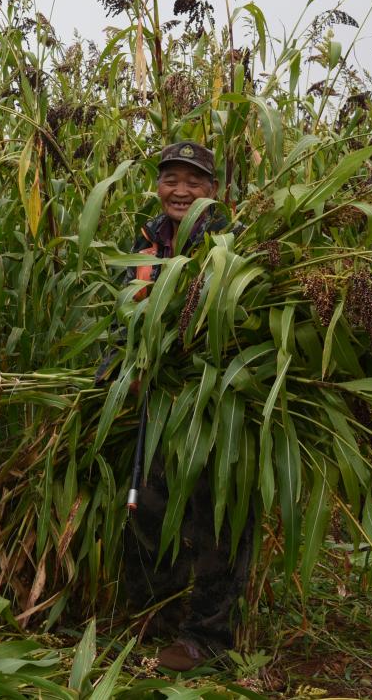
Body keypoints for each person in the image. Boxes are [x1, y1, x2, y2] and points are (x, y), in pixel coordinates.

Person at [119, 140, 251, 673]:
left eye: (193, 181)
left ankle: (208, 637)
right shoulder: (148, 238)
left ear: (212, 190)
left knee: (217, 513)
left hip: (217, 396)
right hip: (160, 394)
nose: (180, 190)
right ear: (158, 186)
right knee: (149, 504)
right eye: (171, 179)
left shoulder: (229, 240)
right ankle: (159, 615)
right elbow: (126, 304)